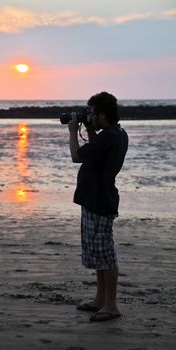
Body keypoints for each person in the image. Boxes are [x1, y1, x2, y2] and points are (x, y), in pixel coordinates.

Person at [68, 91, 128, 322]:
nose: (87, 116)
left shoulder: (110, 136)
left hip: (100, 200)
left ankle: (111, 305)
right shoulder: (115, 133)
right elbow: (97, 151)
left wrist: (74, 132)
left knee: (106, 254)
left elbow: (76, 156)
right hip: (96, 198)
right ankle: (100, 299)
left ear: (102, 114)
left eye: (91, 113)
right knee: (98, 253)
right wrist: (91, 129)